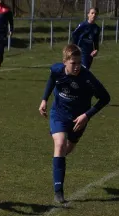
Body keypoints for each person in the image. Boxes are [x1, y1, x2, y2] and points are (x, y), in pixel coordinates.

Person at [38, 44, 110, 204]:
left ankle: (57, 164)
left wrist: (86, 116)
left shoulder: (87, 78)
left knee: (67, 149)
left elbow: (105, 98)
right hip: (59, 114)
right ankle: (58, 191)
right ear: (65, 62)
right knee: (60, 144)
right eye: (73, 63)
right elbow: (51, 79)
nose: (77, 67)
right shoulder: (56, 70)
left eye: (79, 63)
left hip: (79, 119)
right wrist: (44, 99)